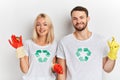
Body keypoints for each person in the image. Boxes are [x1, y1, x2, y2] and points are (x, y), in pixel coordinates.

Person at [56, 6, 120, 80]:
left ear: (88, 18)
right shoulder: (64, 42)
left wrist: (113, 55)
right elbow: (61, 73)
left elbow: (107, 69)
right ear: (72, 21)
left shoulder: (100, 40)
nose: (78, 21)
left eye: (81, 17)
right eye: (75, 18)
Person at [8, 13, 63, 80]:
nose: (41, 27)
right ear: (35, 28)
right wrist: (19, 49)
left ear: (49, 27)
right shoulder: (28, 43)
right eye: (38, 25)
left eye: (45, 24)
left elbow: (52, 67)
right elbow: (25, 70)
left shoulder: (54, 44)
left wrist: (55, 67)